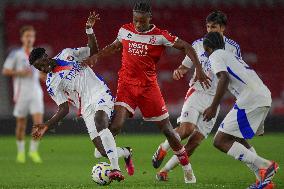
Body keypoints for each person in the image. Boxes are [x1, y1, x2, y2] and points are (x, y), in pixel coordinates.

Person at [84, 1, 211, 183]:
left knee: (168, 131)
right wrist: (96, 56)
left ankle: (187, 170)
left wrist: (198, 68)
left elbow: (187, 47)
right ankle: (117, 155)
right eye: (135, 20)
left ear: (149, 18)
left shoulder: (159, 35)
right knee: (116, 126)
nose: (138, 24)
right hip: (126, 85)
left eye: (142, 21)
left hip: (148, 88)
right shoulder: (125, 30)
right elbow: (114, 46)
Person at [30, 11, 134, 182]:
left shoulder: (67, 54)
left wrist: (89, 30)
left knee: (101, 122)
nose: (41, 69)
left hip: (99, 92)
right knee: (100, 151)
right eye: (37, 68)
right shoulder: (51, 84)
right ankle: (126, 152)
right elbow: (63, 109)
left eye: (40, 64)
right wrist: (47, 125)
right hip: (85, 107)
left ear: (45, 56)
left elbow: (94, 51)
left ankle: (116, 169)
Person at [153, 11, 245, 184]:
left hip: (214, 100)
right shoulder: (197, 44)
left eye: (214, 27)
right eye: (208, 26)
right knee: (187, 129)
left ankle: (164, 171)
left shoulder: (233, 48)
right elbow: (184, 66)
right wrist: (179, 71)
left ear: (223, 28)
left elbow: (236, 73)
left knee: (194, 143)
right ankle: (163, 147)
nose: (210, 30)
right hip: (197, 93)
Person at [202, 32, 278, 189]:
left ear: (208, 47)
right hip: (262, 95)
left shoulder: (215, 55)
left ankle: (266, 165)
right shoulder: (231, 56)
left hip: (250, 99)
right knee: (236, 138)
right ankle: (264, 182)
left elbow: (224, 78)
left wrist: (213, 107)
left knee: (219, 140)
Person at [2, 25, 44, 163]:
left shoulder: (38, 54)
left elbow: (40, 74)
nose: (30, 39)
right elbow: (5, 71)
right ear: (22, 38)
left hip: (36, 93)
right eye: (27, 36)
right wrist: (19, 72)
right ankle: (20, 152)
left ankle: (33, 151)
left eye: (32, 36)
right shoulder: (16, 54)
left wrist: (47, 77)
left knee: (38, 124)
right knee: (21, 124)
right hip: (21, 94)